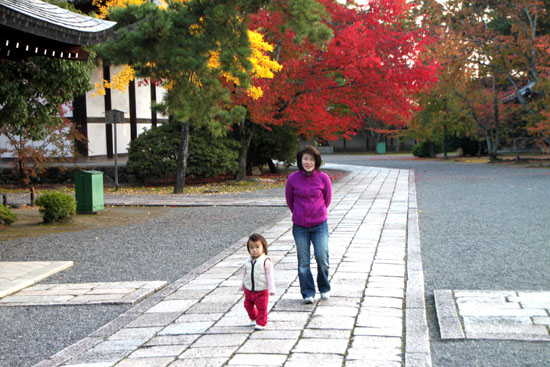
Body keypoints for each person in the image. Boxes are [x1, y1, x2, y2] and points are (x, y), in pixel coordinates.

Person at [285, 145, 332, 304]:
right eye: (305, 158)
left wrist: (318, 212)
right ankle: (308, 293)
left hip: (320, 225)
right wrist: (298, 213)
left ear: (316, 161)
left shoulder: (323, 178)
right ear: (300, 160)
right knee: (303, 262)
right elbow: (290, 201)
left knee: (322, 258)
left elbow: (327, 200)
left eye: (311, 159)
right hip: (300, 227)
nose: (308, 162)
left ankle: (324, 287)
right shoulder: (292, 179)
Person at [241, 233, 275, 330]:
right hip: (249, 289)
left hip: (261, 290)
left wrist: (271, 289)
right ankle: (254, 317)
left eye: (257, 247)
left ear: (263, 248)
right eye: (251, 247)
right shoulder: (248, 261)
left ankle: (261, 322)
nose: (254, 250)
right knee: (247, 305)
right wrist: (242, 285)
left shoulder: (266, 261)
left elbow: (270, 275)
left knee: (262, 308)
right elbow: (245, 274)